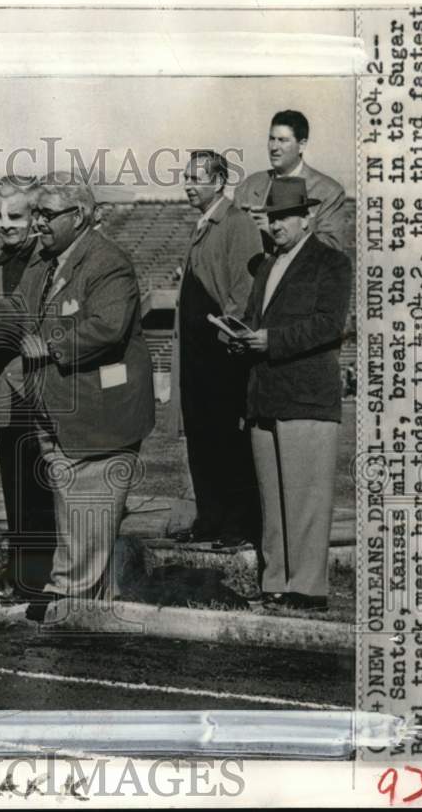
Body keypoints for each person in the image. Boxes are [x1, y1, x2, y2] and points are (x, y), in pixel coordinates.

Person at [10, 171, 155, 623]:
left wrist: (49, 343)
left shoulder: (109, 261)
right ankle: (89, 606)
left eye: (48, 214)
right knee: (76, 516)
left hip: (101, 413)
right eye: (36, 213)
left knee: (86, 513)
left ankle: (63, 599)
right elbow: (19, 311)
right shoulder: (41, 263)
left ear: (81, 215)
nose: (38, 223)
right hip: (55, 410)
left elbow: (108, 327)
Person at [230, 177, 352, 612]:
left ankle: (307, 589)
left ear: (308, 216)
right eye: (271, 217)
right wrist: (240, 338)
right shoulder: (267, 265)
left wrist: (271, 341)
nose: (277, 225)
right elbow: (253, 320)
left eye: (285, 216)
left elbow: (328, 325)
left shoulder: (331, 263)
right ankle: (276, 582)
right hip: (265, 396)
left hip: (307, 397)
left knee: (305, 499)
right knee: (274, 500)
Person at [0, 175, 56, 601]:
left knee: (45, 485)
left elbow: (29, 316)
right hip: (5, 389)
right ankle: (24, 578)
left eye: (15, 215)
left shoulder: (51, 260)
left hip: (44, 390)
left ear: (36, 216)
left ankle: (45, 577)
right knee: (15, 486)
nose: (5, 223)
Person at [172, 151, 262, 548]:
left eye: (198, 177)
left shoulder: (237, 222)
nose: (189, 184)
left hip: (221, 354)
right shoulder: (203, 225)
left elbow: (242, 289)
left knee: (227, 439)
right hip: (197, 355)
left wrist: (231, 341)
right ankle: (209, 518)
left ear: (221, 180)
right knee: (201, 437)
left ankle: (237, 524)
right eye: (186, 176)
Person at [233, 109, 347, 253]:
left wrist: (275, 230)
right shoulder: (248, 187)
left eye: (283, 140)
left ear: (302, 145)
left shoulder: (328, 192)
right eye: (271, 139)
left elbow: (332, 248)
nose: (274, 147)